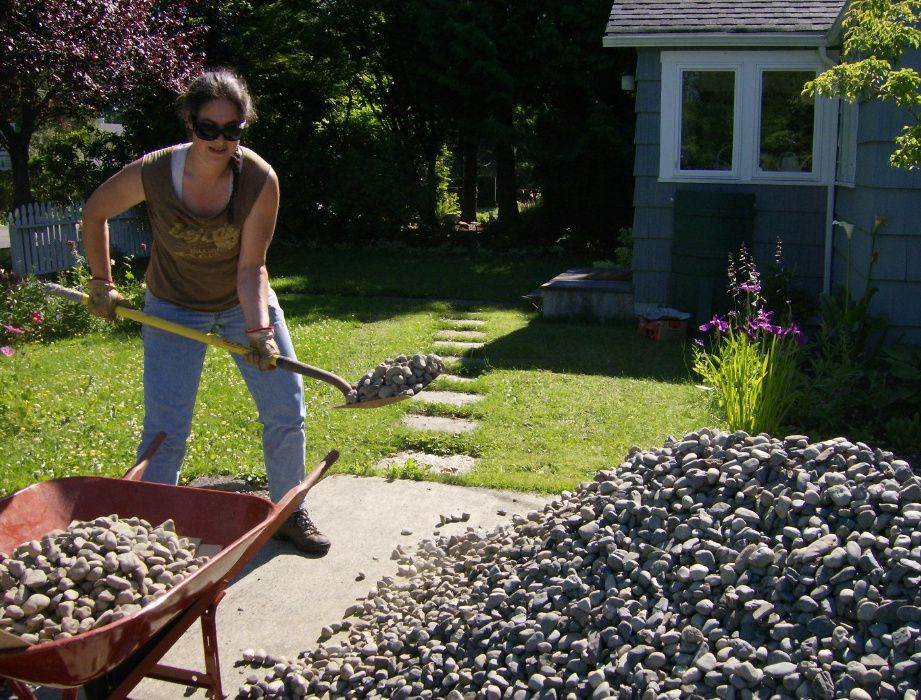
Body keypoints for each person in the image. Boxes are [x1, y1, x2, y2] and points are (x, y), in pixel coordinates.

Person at [81, 68, 330, 555]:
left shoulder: (258, 179)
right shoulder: (155, 173)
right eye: (208, 128)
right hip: (173, 306)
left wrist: (260, 330)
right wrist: (101, 282)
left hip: (243, 303)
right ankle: (146, 528)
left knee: (286, 408)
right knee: (166, 426)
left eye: (232, 129)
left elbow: (252, 266)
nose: (220, 140)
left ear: (243, 127)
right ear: (190, 124)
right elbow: (95, 211)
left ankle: (287, 509)